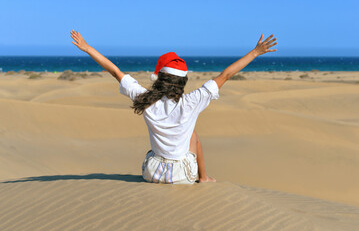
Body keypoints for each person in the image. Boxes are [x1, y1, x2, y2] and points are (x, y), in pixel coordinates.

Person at [70, 30, 277, 184]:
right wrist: (256, 52)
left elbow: (115, 71)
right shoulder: (192, 101)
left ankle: (193, 174)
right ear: (182, 81)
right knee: (193, 135)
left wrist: (87, 48)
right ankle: (204, 178)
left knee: (161, 147)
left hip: (152, 173)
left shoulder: (146, 98)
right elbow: (226, 75)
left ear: (158, 77)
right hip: (183, 176)